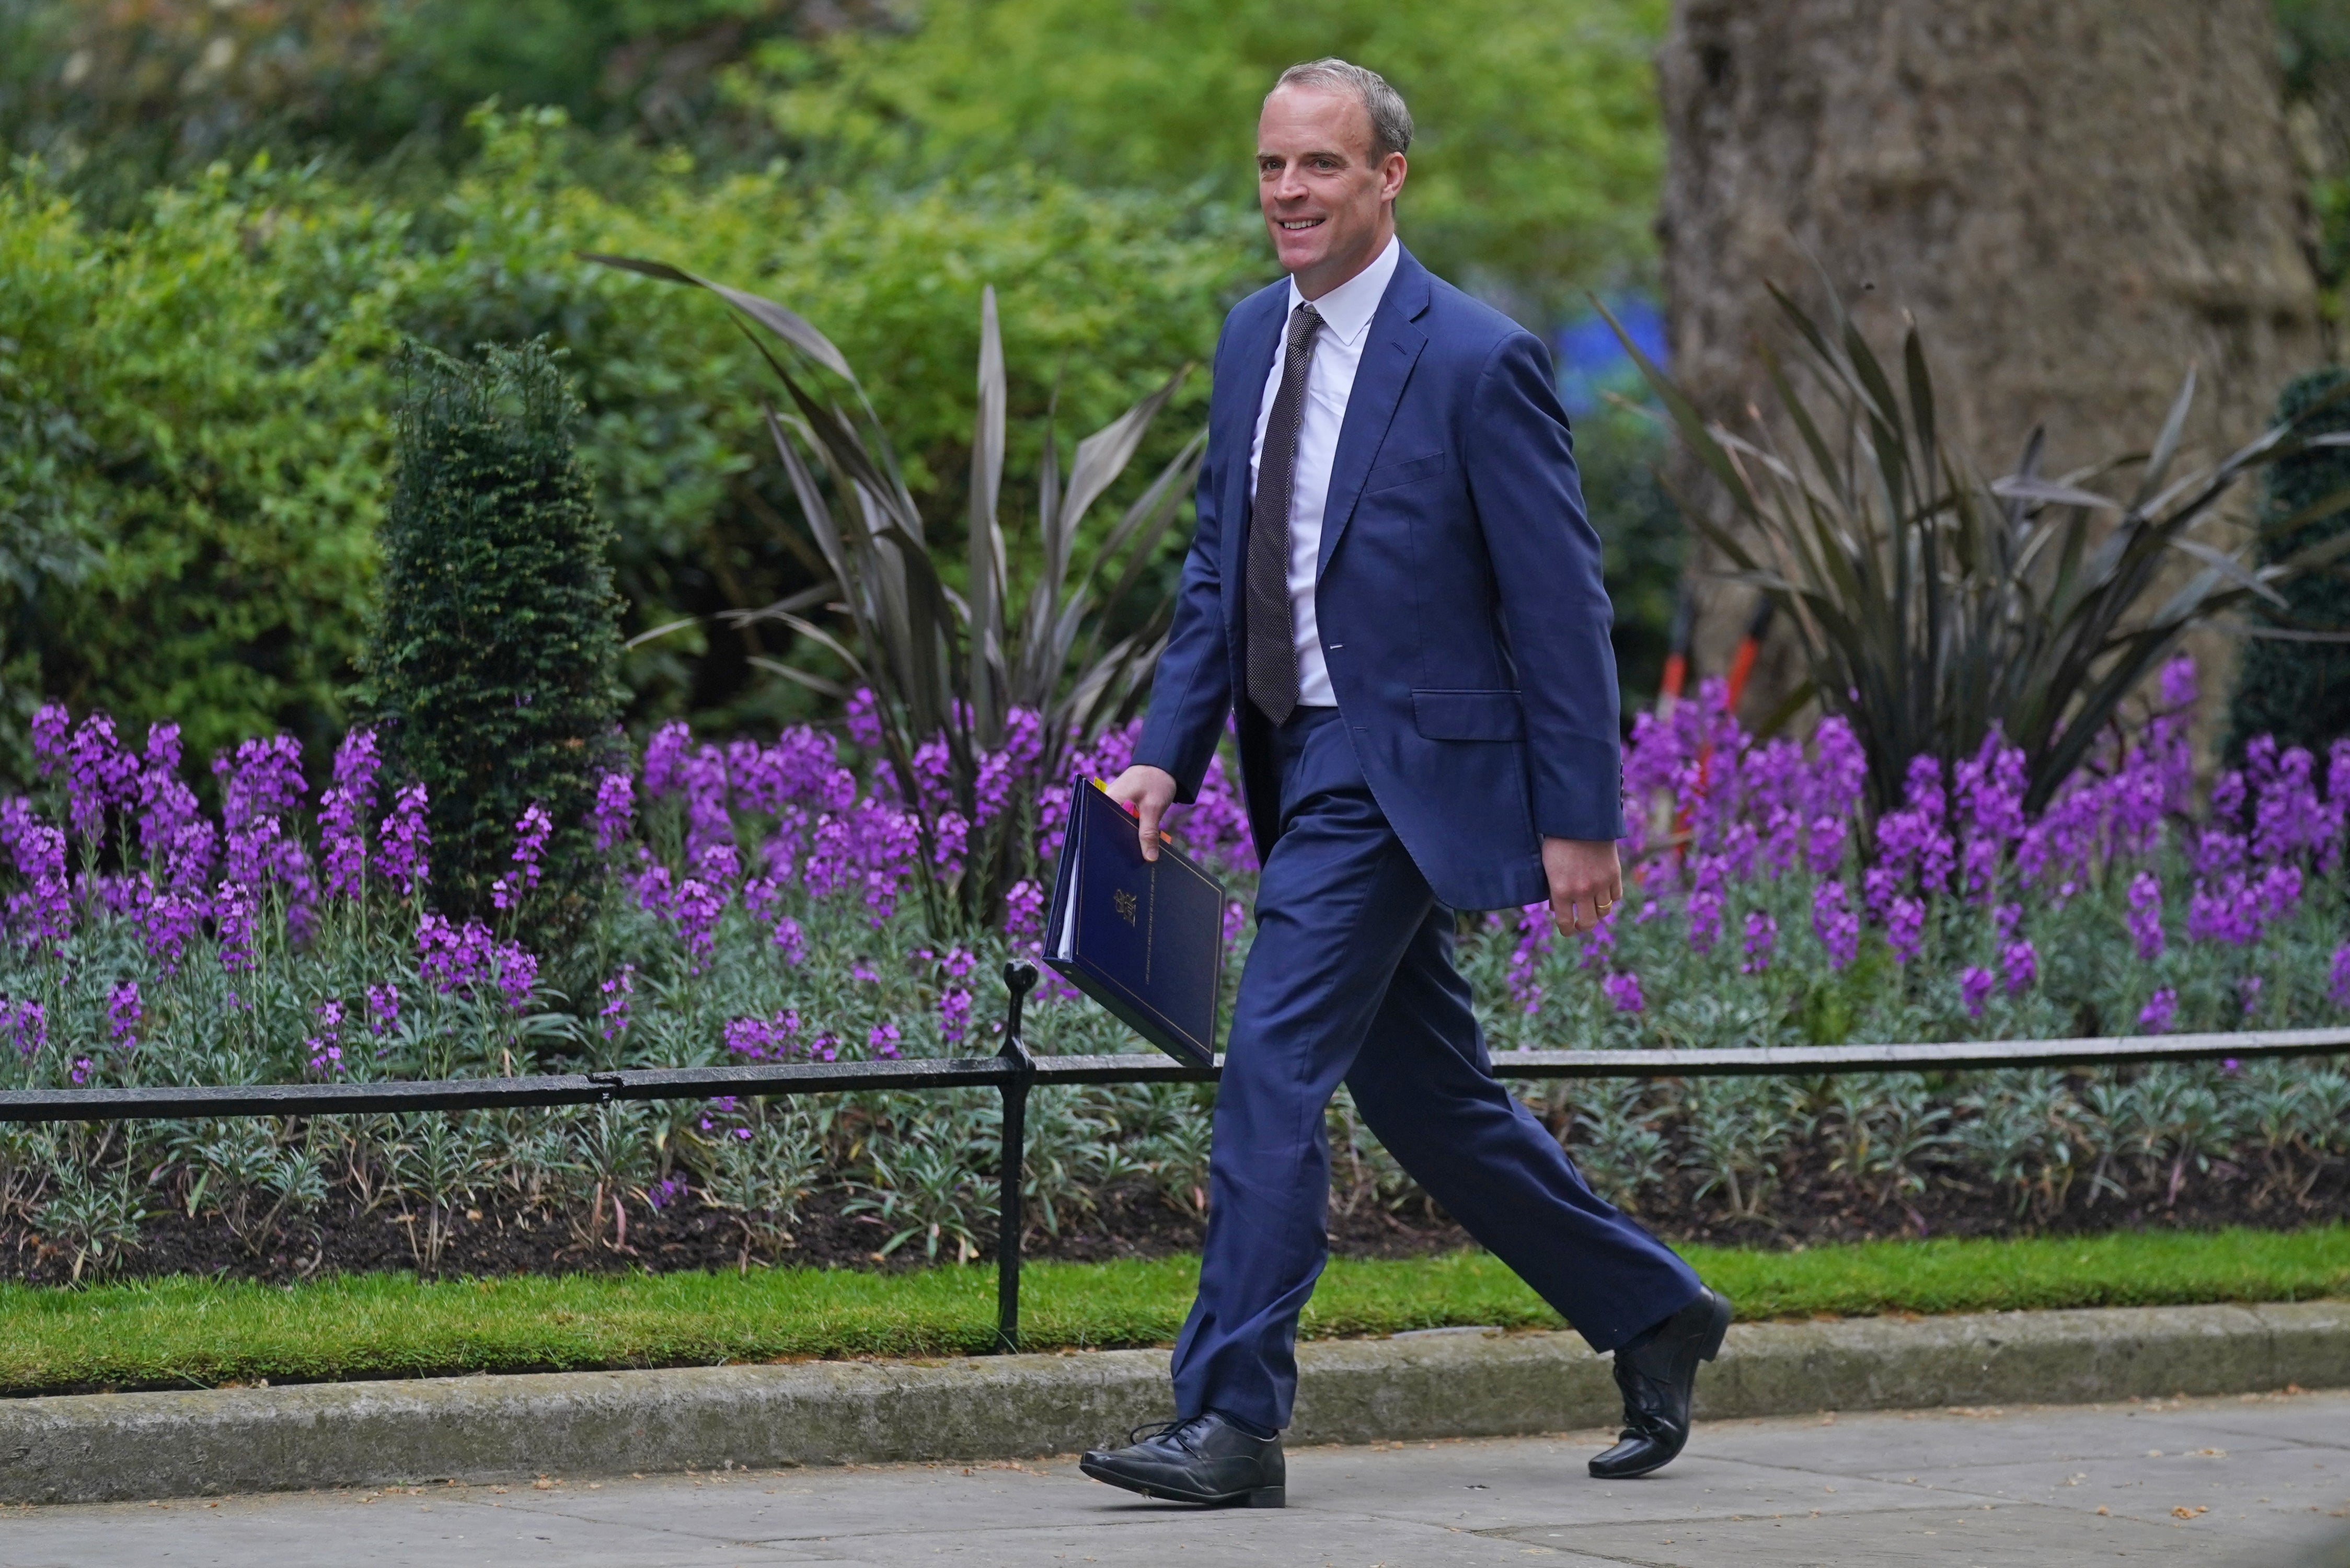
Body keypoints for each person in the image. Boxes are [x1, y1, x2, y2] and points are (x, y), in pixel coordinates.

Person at [1077, 57, 1730, 1509]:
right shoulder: (1253, 337)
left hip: (1401, 773)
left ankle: (1231, 1420)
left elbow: (1560, 608)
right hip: (1296, 759)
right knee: (1433, 1105)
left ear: (1390, 179)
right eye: (1271, 169)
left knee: (1270, 1075)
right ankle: (1655, 1309)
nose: (1290, 194)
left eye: (1321, 166)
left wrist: (1581, 816)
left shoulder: (1478, 357)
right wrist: (1156, 758)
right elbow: (1212, 575)